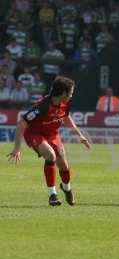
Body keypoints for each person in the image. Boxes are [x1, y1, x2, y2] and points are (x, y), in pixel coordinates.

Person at [7, 76, 91, 206]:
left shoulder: (65, 103)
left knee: (63, 165)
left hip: (52, 134)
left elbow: (66, 118)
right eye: (71, 93)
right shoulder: (42, 106)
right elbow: (22, 122)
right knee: (50, 155)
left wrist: (80, 135)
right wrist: (17, 147)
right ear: (63, 93)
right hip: (34, 134)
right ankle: (53, 194)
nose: (71, 96)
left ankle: (67, 188)